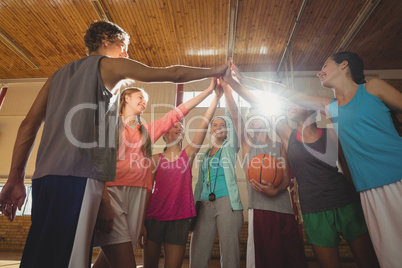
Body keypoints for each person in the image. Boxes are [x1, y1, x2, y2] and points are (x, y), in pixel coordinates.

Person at [0, 20, 228, 268]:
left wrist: (15, 178)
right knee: (70, 259)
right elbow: (172, 73)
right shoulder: (107, 66)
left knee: (43, 256)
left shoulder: (57, 76)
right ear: (106, 39)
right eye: (123, 45)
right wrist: (215, 70)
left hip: (44, 180)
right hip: (79, 180)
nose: (126, 53)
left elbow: (28, 125)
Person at [234, 51, 402, 268]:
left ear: (344, 65)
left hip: (354, 195)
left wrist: (356, 191)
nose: (291, 106)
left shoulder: (337, 120)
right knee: (389, 255)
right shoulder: (304, 125)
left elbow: (346, 163)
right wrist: (240, 82)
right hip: (333, 200)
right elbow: (272, 96)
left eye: (325, 64)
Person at [93, 79, 219, 268]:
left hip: (137, 197)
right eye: (140, 97)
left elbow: (178, 112)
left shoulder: (146, 132)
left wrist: (210, 92)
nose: (144, 102)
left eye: (145, 99)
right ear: (126, 98)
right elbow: (98, 163)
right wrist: (104, 199)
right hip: (114, 193)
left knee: (110, 254)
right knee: (123, 258)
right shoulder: (112, 124)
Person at [220, 76, 307, 268]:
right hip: (260, 211)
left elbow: (285, 178)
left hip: (285, 210)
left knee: (294, 260)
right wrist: (227, 87)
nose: (253, 118)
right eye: (250, 116)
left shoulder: (280, 144)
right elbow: (235, 115)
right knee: (266, 262)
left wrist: (276, 191)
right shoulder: (247, 144)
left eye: (259, 114)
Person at [278, 102, 378, 268]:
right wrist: (232, 82)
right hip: (314, 208)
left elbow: (348, 170)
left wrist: (367, 200)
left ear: (310, 109)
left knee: (368, 263)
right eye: (288, 104)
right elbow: (254, 102)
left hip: (346, 202)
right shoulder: (288, 135)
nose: (290, 105)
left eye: (295, 103)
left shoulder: (330, 133)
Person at [143, 79, 223, 268]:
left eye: (181, 127)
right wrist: (140, 222)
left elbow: (204, 124)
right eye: (175, 126)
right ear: (165, 134)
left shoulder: (188, 154)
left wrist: (215, 98)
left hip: (179, 218)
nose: (179, 128)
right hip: (154, 216)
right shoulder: (155, 159)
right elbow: (147, 190)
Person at [189, 84, 244, 268]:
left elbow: (232, 118)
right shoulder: (204, 154)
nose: (219, 127)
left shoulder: (230, 148)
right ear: (211, 131)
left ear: (227, 131)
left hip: (228, 203)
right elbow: (198, 184)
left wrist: (227, 93)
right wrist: (194, 208)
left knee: (229, 253)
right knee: (198, 251)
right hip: (204, 204)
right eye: (215, 125)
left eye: (223, 125)